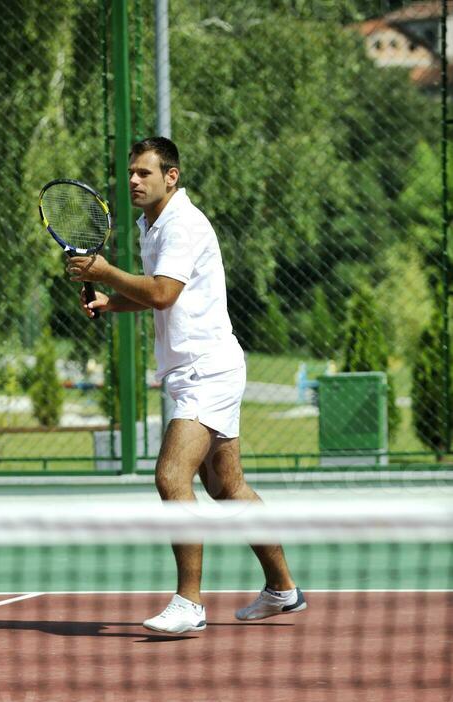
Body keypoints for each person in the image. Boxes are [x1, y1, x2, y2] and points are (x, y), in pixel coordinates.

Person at [67, 137, 305, 634]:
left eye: (145, 173)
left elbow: (161, 292)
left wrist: (105, 271)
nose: (133, 180)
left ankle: (189, 602)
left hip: (206, 370)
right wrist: (112, 301)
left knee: (171, 477)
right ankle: (283, 589)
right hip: (196, 369)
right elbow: (163, 295)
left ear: (171, 176)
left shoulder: (183, 224)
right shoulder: (149, 224)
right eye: (131, 172)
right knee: (228, 486)